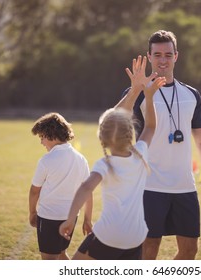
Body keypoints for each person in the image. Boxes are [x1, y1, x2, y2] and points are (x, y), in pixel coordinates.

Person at [120, 30, 201, 260]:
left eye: (167, 54)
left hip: (185, 187)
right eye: (157, 55)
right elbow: (114, 120)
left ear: (176, 56)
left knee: (189, 250)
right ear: (149, 56)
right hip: (148, 186)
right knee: (149, 248)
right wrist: (135, 89)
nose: (162, 60)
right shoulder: (139, 92)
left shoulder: (191, 94)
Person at [59, 56, 167, 260]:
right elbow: (151, 126)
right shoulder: (141, 154)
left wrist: (70, 219)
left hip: (109, 236)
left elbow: (85, 188)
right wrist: (149, 96)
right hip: (137, 237)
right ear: (131, 133)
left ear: (103, 138)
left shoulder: (105, 164)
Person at [29, 112, 92, 260]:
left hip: (49, 217)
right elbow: (87, 191)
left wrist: (32, 213)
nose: (41, 142)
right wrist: (87, 219)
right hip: (71, 217)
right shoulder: (81, 159)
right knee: (61, 253)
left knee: (49, 259)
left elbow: (34, 191)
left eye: (42, 137)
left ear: (51, 135)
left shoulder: (46, 160)